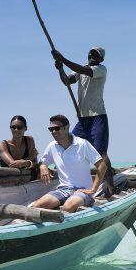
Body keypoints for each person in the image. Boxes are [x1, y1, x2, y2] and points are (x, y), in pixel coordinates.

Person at [51, 47, 114, 196]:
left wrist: (63, 59)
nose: (92, 55)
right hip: (82, 119)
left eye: (96, 54)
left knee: (101, 152)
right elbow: (67, 81)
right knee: (68, 143)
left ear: (101, 59)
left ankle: (110, 186)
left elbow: (84, 71)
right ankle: (68, 181)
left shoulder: (100, 69)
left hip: (98, 116)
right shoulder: (81, 70)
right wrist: (60, 69)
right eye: (90, 53)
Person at [32, 114, 107, 213]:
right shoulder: (52, 146)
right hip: (63, 189)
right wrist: (43, 166)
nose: (54, 132)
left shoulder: (82, 144)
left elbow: (102, 166)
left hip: (83, 190)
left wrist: (93, 190)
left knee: (68, 207)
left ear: (66, 127)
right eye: (51, 129)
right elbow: (42, 161)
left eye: (57, 128)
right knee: (37, 206)